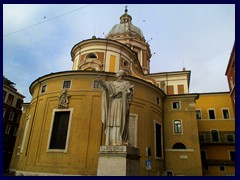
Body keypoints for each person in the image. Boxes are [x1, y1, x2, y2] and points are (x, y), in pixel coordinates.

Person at [99, 70, 134, 146]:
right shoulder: (113, 83)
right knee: (112, 121)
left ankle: (119, 140)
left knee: (120, 121)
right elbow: (106, 86)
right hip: (114, 103)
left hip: (122, 103)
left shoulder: (126, 83)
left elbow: (130, 94)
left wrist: (121, 92)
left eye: (119, 73)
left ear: (121, 75)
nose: (117, 73)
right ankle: (111, 140)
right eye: (117, 72)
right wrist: (101, 82)